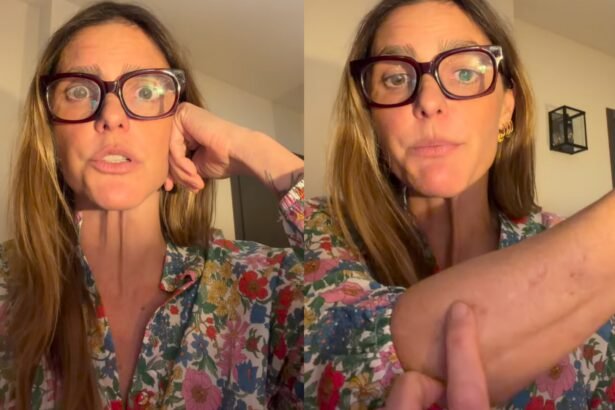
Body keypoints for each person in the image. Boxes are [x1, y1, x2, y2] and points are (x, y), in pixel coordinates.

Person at [304, 0, 615, 408]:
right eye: (396, 78)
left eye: (466, 72)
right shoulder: (321, 228)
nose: (428, 101)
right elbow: (346, 353)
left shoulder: (557, 239)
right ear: (371, 118)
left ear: (506, 109)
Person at [0, 2, 303, 409]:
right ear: (51, 134)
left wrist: (258, 151)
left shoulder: (266, 285)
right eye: (79, 91)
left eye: (145, 91)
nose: (111, 116)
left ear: (181, 125)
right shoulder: (7, 286)